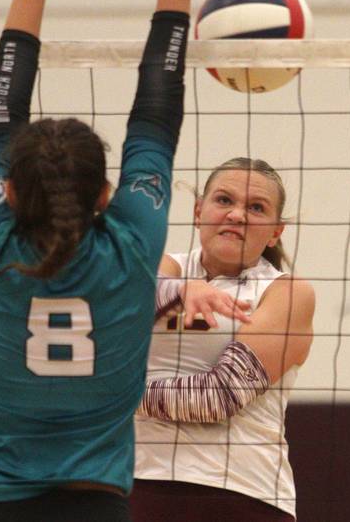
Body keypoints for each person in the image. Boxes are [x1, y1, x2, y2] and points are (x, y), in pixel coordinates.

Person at [0, 0, 205, 520]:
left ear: (9, 192)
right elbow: (156, 117)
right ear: (105, 197)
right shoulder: (132, 244)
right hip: (96, 506)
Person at [130, 157, 315, 522]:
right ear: (199, 211)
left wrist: (108, 394)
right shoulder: (165, 268)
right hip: (137, 480)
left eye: (256, 207)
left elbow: (218, 397)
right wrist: (179, 289)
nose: (237, 215)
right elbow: (118, 308)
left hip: (239, 491)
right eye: (224, 200)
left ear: (276, 231)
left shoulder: (286, 292)